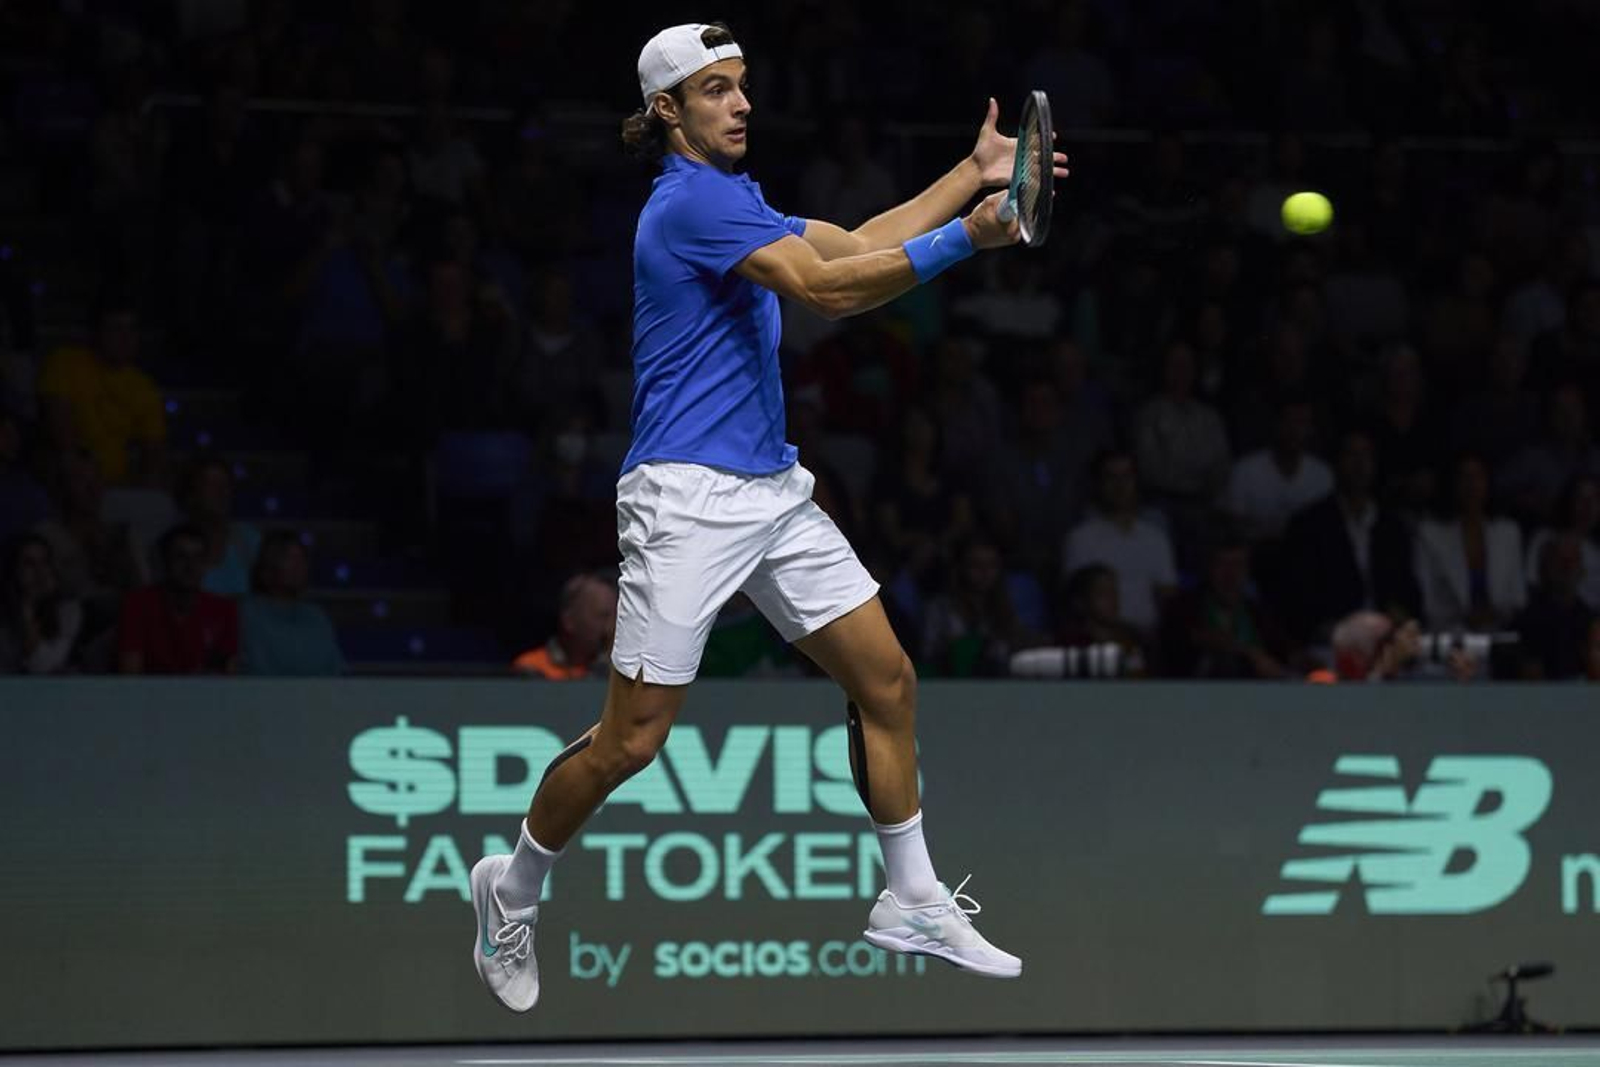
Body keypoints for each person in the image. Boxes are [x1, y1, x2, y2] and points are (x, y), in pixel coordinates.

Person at [469, 21, 1068, 1012]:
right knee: (631, 742)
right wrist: (970, 236)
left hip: (772, 493)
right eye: (716, 90)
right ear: (668, 110)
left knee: (886, 679)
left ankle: (911, 894)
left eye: (743, 85)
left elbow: (852, 242)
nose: (742, 103)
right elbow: (831, 291)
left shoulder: (734, 195)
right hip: (683, 500)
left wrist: (970, 174)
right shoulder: (689, 205)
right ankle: (513, 886)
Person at [1277, 428, 1421, 641]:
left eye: (1366, 455)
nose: (1359, 464)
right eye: (1351, 455)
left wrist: (1397, 621)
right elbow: (1300, 601)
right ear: (1336, 463)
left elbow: (1407, 594)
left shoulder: (1392, 527)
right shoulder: (1309, 525)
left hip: (1387, 644)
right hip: (1330, 642)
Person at [36, 299, 167, 486]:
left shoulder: (143, 385)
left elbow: (154, 448)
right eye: (116, 328)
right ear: (96, 333)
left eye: (132, 329)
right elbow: (60, 428)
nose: (126, 337)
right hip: (66, 481)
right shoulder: (65, 363)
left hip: (116, 487)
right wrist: (80, 477)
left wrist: (147, 486)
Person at [1062, 449, 1178, 638]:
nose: (1120, 485)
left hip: (1149, 640)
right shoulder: (1080, 539)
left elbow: (1168, 599)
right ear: (1098, 483)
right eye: (1111, 477)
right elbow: (1077, 607)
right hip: (1101, 640)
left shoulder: (1156, 538)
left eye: (1126, 476)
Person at [1414, 454, 1526, 632]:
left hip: (1500, 636)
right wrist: (1465, 617)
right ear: (1452, 484)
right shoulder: (1430, 534)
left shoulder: (1508, 532)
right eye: (1464, 477)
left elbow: (1517, 598)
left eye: (1478, 476)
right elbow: (1428, 601)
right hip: (1447, 634)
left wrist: (1493, 615)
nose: (1471, 485)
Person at [117, 523, 239, 675]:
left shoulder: (224, 610)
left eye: (198, 558)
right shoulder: (137, 604)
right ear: (165, 561)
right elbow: (130, 674)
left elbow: (228, 675)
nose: (191, 566)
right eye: (181, 557)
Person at [239, 531, 344, 676]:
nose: (299, 566)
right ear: (267, 566)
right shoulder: (248, 613)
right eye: (289, 558)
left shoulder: (317, 616)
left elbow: (335, 670)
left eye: (302, 559)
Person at [0, 533, 83, 674]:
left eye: (45, 562)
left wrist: (28, 612)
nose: (40, 572)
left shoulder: (68, 610)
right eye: (29, 564)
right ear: (13, 570)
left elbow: (44, 667)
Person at [511, 571, 617, 681]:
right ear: (569, 621)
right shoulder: (531, 667)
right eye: (602, 616)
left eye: (615, 617)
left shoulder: (619, 669)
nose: (610, 626)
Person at [181, 456, 262, 598]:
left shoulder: (250, 541)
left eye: (226, 485)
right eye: (211, 485)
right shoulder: (173, 544)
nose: (222, 492)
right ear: (191, 495)